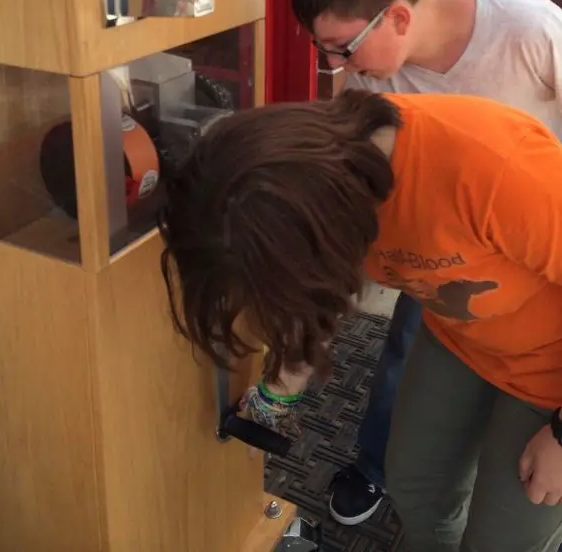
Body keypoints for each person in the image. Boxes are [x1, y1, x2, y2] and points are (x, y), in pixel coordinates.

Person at [160, 89, 562, 552]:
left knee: (504, 539)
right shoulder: (310, 183)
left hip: (550, 372)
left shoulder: (496, 166)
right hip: (457, 339)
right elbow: (312, 287)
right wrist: (279, 392)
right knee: (414, 486)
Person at [290, 0, 562, 527]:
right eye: (322, 50)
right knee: (410, 359)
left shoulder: (528, 33)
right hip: (449, 265)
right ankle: (379, 469)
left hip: (544, 253)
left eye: (342, 47)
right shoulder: (368, 86)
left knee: (513, 490)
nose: (336, 66)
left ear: (399, 17)